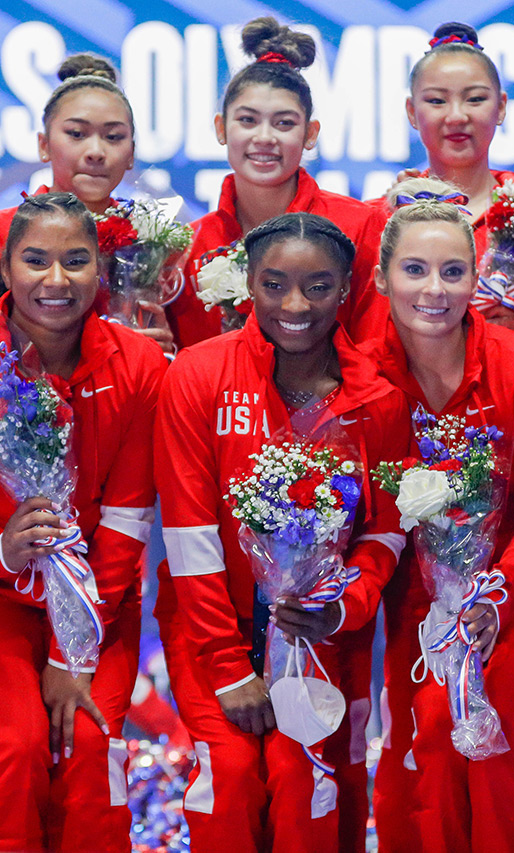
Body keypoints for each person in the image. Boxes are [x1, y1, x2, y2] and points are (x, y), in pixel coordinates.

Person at [154, 212, 409, 853]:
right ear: (249, 283)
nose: (295, 305)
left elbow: (384, 534)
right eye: (275, 284)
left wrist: (340, 609)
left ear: (349, 290)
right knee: (234, 778)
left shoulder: (378, 397)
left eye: (318, 287)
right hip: (211, 634)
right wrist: (227, 666)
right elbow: (188, 530)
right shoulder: (199, 374)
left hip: (323, 638)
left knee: (305, 791)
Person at [367, 177, 514, 852]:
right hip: (419, 601)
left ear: (478, 278)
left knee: (495, 743)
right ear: (381, 280)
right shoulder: (363, 377)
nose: (433, 290)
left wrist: (495, 595)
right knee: (429, 744)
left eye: (452, 271)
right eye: (414, 270)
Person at [0, 192, 167, 852]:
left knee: (92, 760)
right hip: (2, 603)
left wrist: (73, 654)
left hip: (101, 607)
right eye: (35, 260)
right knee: (13, 752)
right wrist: (6, 554)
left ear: (101, 270)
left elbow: (127, 524)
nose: (55, 279)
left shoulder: (139, 365)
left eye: (76, 261)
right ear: (6, 267)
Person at [167, 17, 388, 349]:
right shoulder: (189, 247)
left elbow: (376, 347)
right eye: (247, 120)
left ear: (310, 134)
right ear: (221, 128)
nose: (265, 137)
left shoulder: (359, 226)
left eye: (284, 123)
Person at [0, 53, 174, 353]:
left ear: (132, 152)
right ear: (44, 145)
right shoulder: (4, 231)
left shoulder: (153, 241)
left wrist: (164, 351)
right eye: (77, 134)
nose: (95, 151)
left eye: (113, 136)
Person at [368, 21, 514, 330]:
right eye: (436, 101)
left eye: (475, 99)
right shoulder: (376, 219)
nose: (456, 116)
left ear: (500, 107)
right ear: (411, 112)